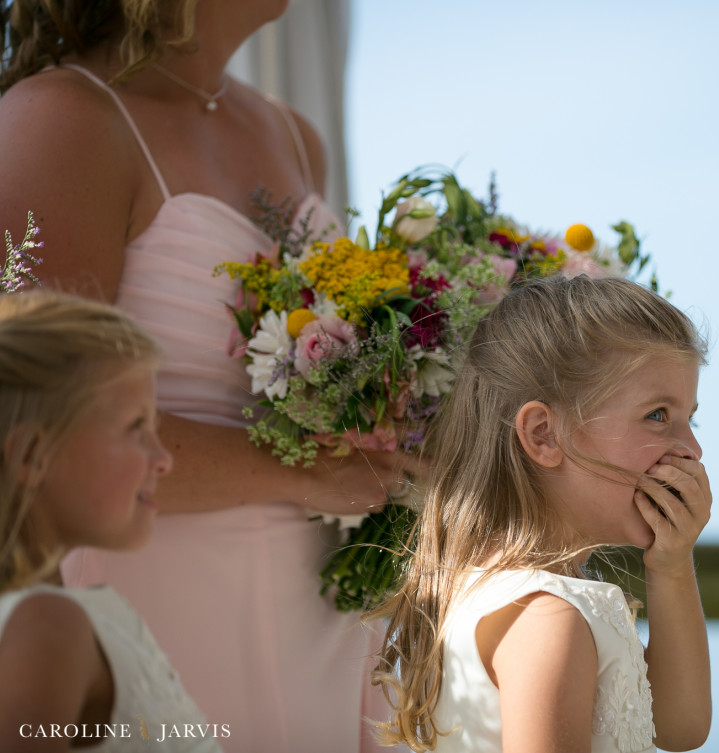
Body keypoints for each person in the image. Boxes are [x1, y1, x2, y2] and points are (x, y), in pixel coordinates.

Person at [0, 3, 423, 750]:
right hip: (157, 579)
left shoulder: (296, 135)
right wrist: (307, 476)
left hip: (322, 596)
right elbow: (33, 413)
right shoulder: (60, 120)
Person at [370, 275, 713, 753]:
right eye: (658, 415)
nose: (692, 450)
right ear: (543, 435)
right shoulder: (548, 618)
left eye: (690, 419)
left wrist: (672, 566)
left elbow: (680, 728)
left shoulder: (507, 595)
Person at [0, 290, 226, 752]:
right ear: (31, 455)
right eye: (135, 428)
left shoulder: (60, 619)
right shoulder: (46, 628)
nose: (164, 459)